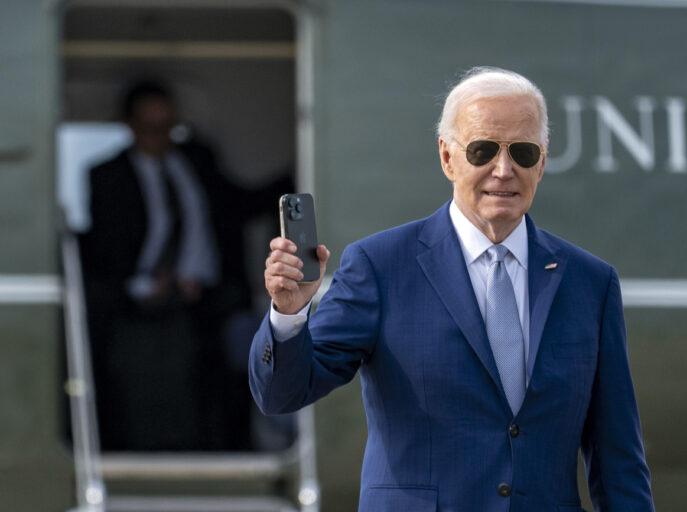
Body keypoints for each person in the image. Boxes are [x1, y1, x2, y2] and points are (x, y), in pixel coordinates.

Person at [250, 67, 654, 510]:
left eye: (522, 151)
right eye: (482, 150)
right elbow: (281, 394)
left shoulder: (589, 283)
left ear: (541, 161)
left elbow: (618, 457)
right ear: (447, 157)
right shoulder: (381, 265)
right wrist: (288, 316)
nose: (504, 170)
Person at [80, 80, 292, 451]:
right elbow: (103, 254)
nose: (161, 138)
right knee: (151, 397)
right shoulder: (107, 175)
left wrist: (296, 178)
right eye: (150, 128)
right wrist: (144, 286)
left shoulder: (197, 160)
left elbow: (236, 206)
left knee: (225, 390)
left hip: (211, 300)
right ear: (130, 126)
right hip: (141, 304)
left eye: (168, 127)